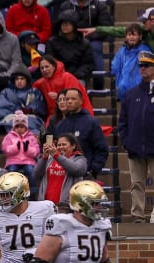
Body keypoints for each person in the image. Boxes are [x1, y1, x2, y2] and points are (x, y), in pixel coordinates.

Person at [117, 50, 154, 223]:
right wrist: (126, 141)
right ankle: (137, 216)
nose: (143, 69)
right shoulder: (131, 94)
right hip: (135, 148)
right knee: (136, 184)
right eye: (141, 66)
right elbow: (122, 121)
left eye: (147, 65)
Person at [53, 87, 109, 180]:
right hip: (62, 176)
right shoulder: (60, 125)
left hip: (85, 175)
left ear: (81, 101)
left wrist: (93, 170)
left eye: (73, 99)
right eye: (67, 99)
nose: (69, 101)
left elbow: (102, 149)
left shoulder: (91, 122)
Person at [56, 0, 113, 90]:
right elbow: (58, 25)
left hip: (93, 39)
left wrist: (88, 36)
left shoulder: (99, 6)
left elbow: (106, 28)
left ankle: (98, 82)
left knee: (95, 47)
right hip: (70, 38)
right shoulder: (65, 5)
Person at [33, 55, 93, 121]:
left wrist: (58, 97)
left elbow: (75, 102)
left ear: (53, 66)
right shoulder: (41, 83)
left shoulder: (67, 77)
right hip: (54, 116)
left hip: (76, 114)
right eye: (42, 68)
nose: (44, 70)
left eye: (47, 67)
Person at [34, 133, 87, 207]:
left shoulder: (80, 159)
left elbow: (77, 170)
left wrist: (56, 155)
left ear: (73, 146)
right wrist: (44, 157)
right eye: (59, 145)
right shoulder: (50, 159)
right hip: (46, 205)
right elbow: (37, 175)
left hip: (66, 206)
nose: (60, 147)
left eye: (64, 144)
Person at [0, 64, 47, 135]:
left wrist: (31, 109)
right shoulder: (6, 92)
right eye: (17, 79)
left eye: (22, 79)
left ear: (27, 80)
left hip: (30, 118)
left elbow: (40, 108)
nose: (19, 81)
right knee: (13, 122)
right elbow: (1, 108)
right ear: (14, 81)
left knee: (31, 122)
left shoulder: (34, 92)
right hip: (11, 118)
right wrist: (19, 111)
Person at [45, 10, 94, 85]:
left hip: (77, 77)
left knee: (79, 85)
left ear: (74, 25)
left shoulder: (84, 43)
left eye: (68, 24)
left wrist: (75, 76)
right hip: (57, 76)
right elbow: (50, 61)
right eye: (62, 23)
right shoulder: (52, 42)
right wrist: (61, 74)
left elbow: (87, 64)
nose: (64, 26)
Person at [81, 6, 154, 53]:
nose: (142, 23)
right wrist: (96, 29)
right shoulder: (143, 29)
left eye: (144, 21)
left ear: (152, 21)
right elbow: (118, 30)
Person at [111, 24, 151, 102]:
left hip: (140, 93)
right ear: (126, 36)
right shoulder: (121, 51)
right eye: (129, 35)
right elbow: (114, 68)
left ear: (140, 36)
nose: (132, 37)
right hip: (123, 92)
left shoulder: (145, 51)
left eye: (134, 35)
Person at [1, 110, 40, 188]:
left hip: (28, 161)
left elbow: (36, 151)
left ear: (26, 127)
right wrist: (16, 147)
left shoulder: (31, 137)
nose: (19, 129)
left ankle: (32, 193)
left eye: (22, 127)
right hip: (13, 160)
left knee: (31, 171)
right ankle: (11, 191)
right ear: (14, 127)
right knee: (12, 171)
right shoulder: (9, 136)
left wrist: (27, 149)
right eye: (17, 126)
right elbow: (5, 149)